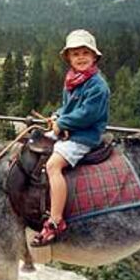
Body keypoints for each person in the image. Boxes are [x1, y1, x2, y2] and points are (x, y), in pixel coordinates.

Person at [31, 29, 110, 247]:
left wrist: (62, 124)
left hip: (85, 136)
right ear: (69, 58)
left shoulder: (97, 86)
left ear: (94, 57)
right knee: (35, 146)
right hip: (71, 130)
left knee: (53, 165)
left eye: (86, 52)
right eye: (76, 54)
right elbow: (69, 107)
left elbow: (87, 114)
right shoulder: (74, 80)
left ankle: (56, 220)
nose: (81, 57)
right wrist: (57, 115)